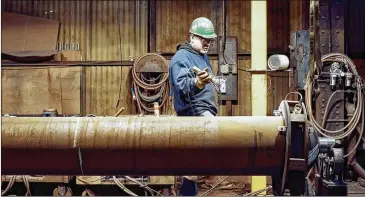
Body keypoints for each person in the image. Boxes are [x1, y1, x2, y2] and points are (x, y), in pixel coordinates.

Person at [168, 17, 218, 196]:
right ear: (192, 37)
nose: (208, 44)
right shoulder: (181, 57)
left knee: (193, 169)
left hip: (204, 110)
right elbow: (181, 84)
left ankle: (188, 192)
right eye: (205, 40)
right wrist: (196, 82)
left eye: (210, 40)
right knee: (215, 144)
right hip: (194, 112)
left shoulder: (202, 57)